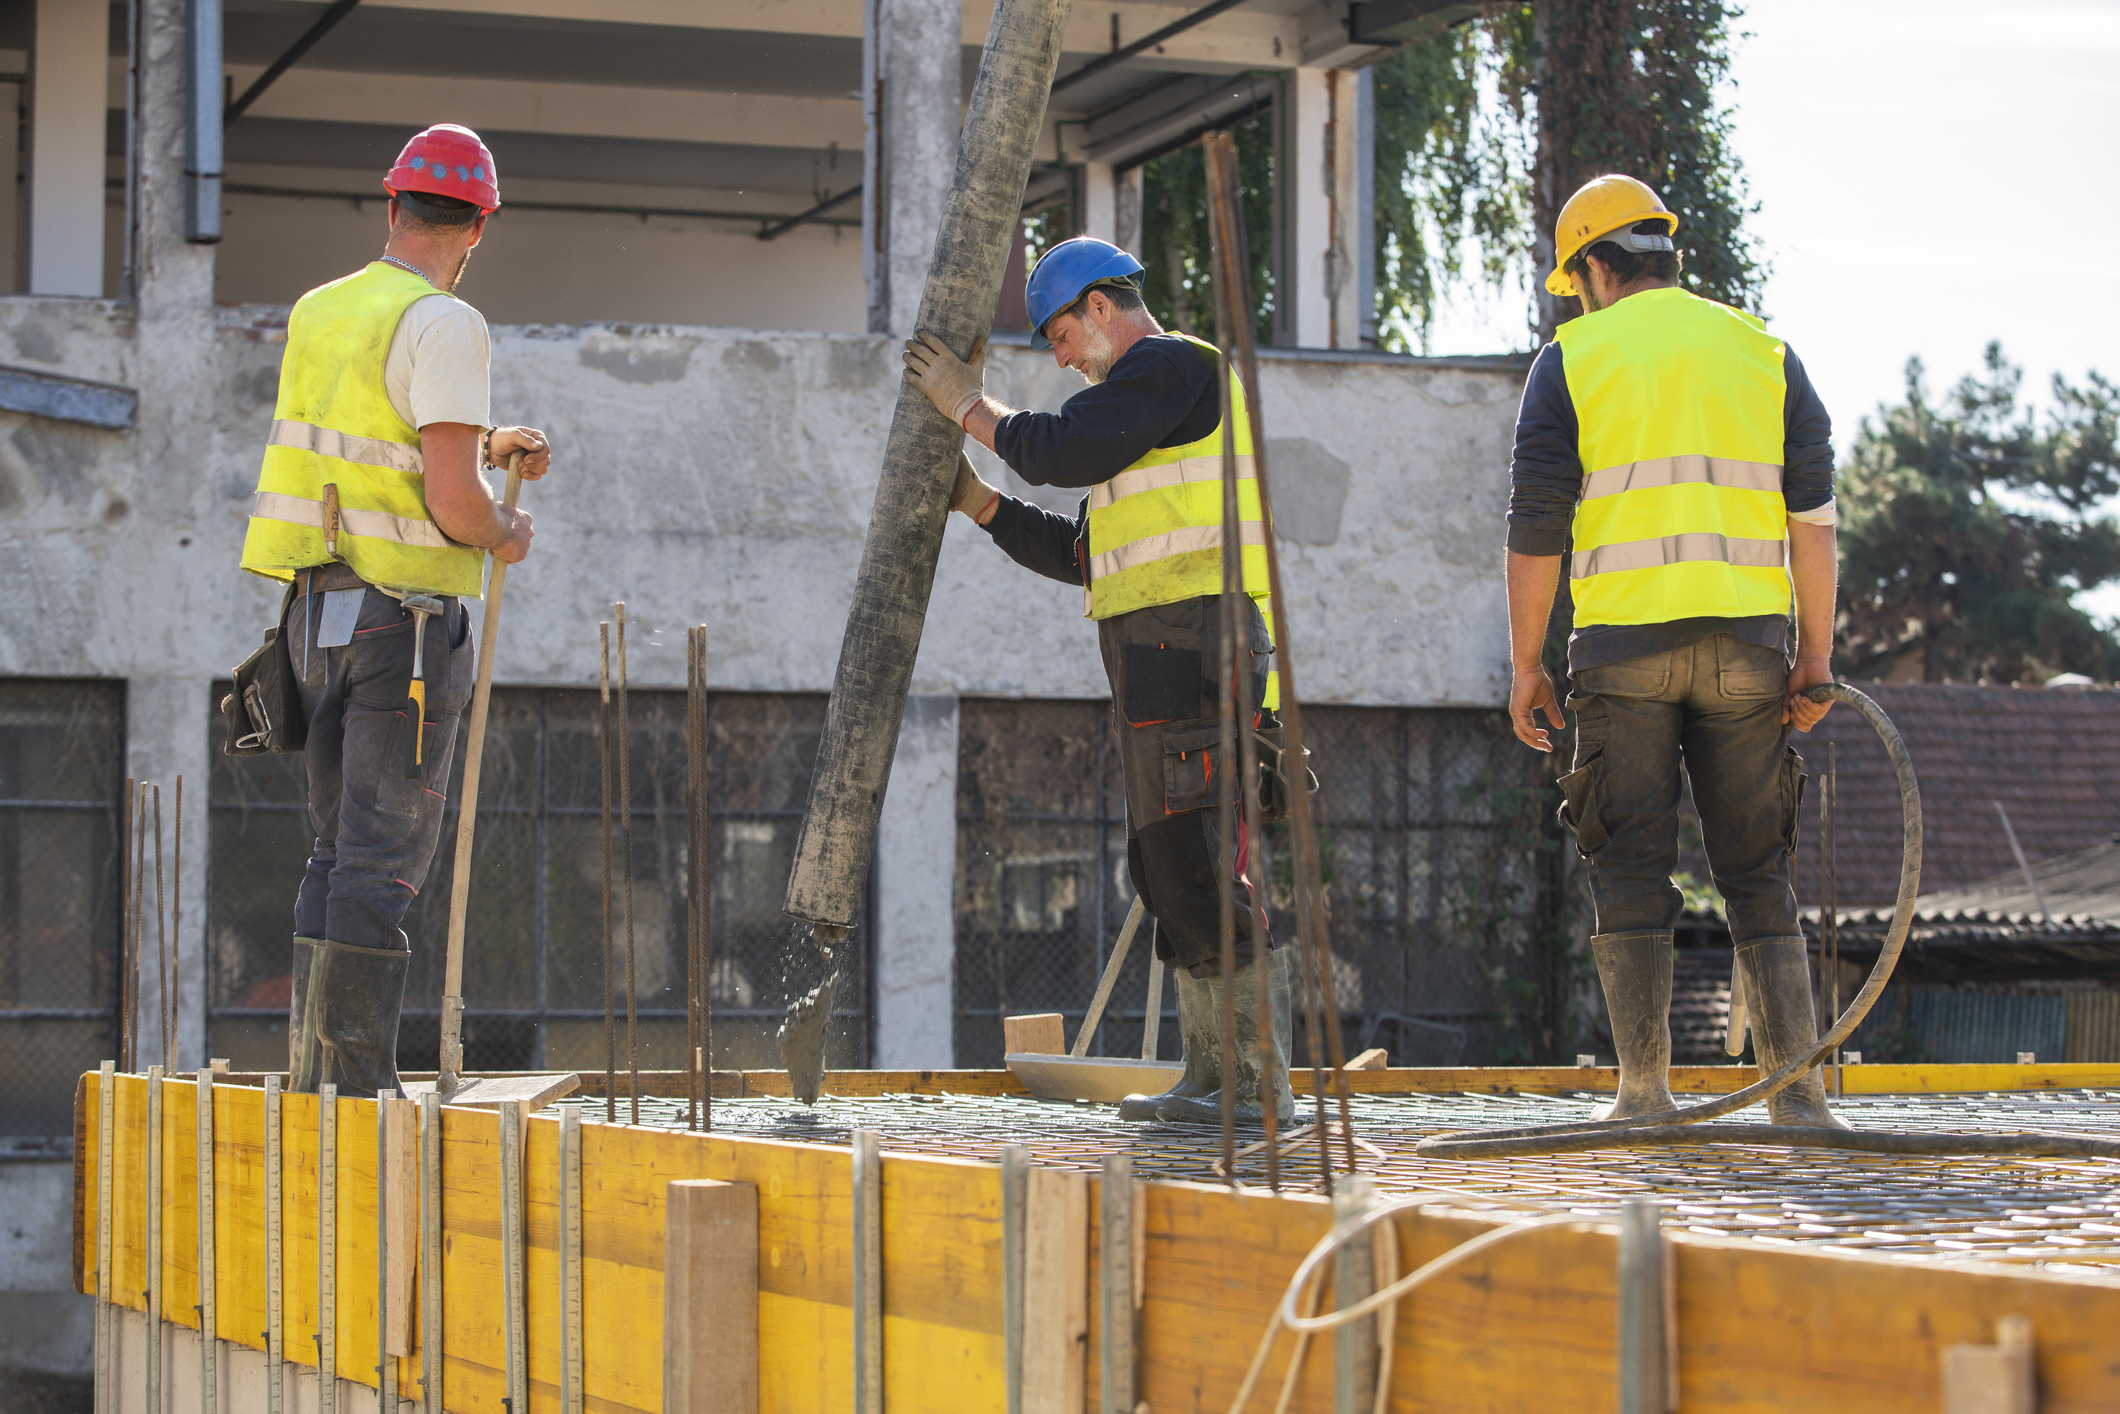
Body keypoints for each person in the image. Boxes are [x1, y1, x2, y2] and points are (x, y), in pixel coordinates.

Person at [902, 237, 1294, 1125]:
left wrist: (969, 407)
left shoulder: (1172, 368)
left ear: (1103, 309)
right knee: (1167, 869)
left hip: (1197, 646)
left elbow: (1057, 450)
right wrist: (982, 507)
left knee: (1195, 865)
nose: (1062, 356)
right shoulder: (1137, 421)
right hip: (1162, 654)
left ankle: (1253, 1090)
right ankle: (1211, 1079)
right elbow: (1085, 551)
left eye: (1061, 335)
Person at [1505, 173, 1844, 1126]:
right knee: (1755, 866)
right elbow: (1810, 520)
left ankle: (1644, 1093)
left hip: (1623, 651)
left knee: (1629, 861)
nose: (1581, 299)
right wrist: (1814, 657)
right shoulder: (1764, 354)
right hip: (1747, 647)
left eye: (1579, 283)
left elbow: (1537, 525)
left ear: (1599, 268)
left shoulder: (1572, 358)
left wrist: (1528, 662)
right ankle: (1798, 1100)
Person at [237, 124, 553, 1099]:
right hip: (403, 630)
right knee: (381, 858)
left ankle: (315, 1079)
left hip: (314, 620)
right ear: (477, 228)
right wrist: (502, 530)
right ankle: (360, 1090)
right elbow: (452, 506)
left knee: (335, 852)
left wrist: (486, 438)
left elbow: (373, 447)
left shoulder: (323, 311)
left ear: (392, 207)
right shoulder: (444, 321)